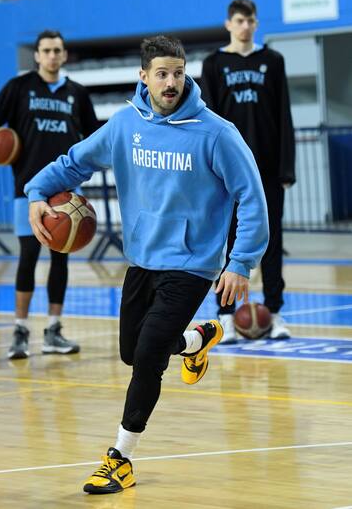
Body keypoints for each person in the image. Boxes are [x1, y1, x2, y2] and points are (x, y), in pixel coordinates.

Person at [25, 35, 269, 494]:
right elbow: (74, 163)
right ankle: (198, 339)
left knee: (149, 354)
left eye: (178, 72)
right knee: (132, 351)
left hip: (192, 263)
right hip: (141, 261)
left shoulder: (216, 133)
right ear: (144, 76)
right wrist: (37, 193)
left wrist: (241, 261)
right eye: (162, 73)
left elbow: (251, 198)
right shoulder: (124, 126)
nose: (172, 82)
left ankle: (120, 457)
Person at [0, 30, 99, 359]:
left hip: (66, 192)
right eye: (46, 50)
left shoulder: (77, 94)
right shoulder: (19, 88)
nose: (52, 55)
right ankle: (20, 330)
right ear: (37, 56)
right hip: (28, 190)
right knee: (28, 258)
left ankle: (54, 330)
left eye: (57, 50)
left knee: (61, 257)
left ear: (64, 55)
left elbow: (96, 139)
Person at [201, 0, 296, 343]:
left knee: (270, 240)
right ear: (229, 24)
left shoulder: (273, 61)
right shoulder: (213, 64)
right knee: (223, 244)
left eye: (250, 20)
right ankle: (225, 317)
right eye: (239, 20)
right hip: (224, 171)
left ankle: (275, 311)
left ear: (256, 24)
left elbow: (284, 114)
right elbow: (205, 120)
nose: (245, 26)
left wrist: (287, 167)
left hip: (267, 168)